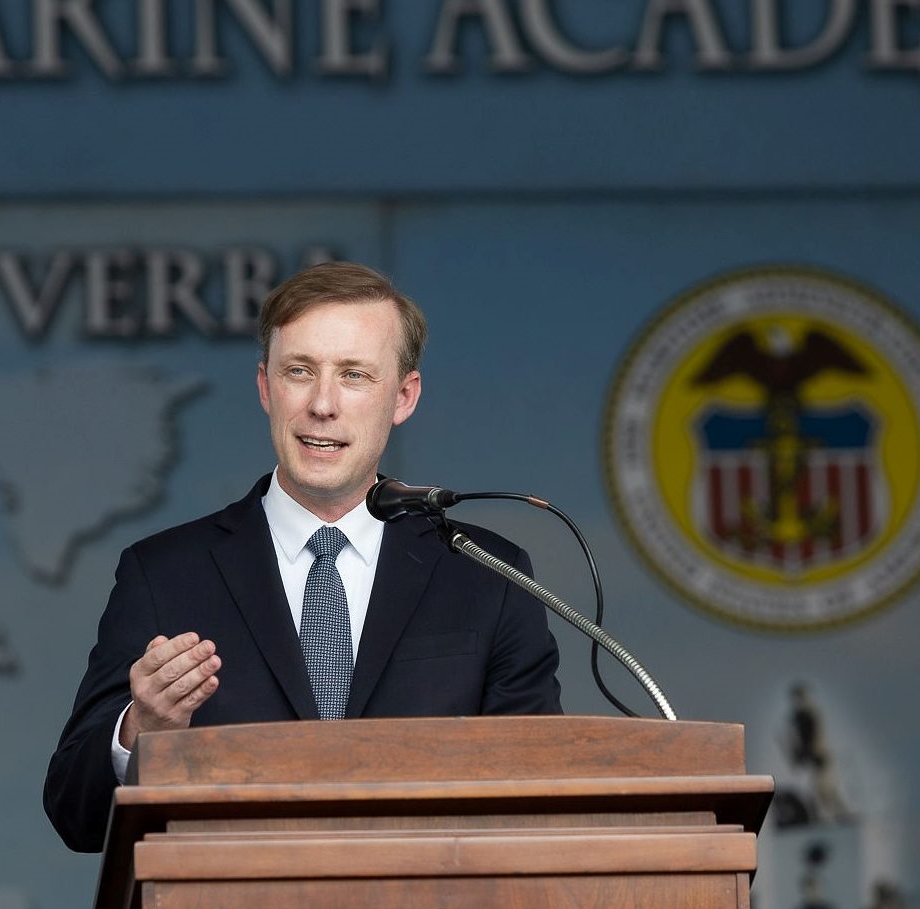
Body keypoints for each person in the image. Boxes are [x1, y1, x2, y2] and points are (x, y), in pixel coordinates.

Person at [44, 262, 562, 852]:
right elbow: (74, 814)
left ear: (404, 396)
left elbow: (540, 805)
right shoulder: (162, 574)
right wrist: (142, 730)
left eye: (354, 375)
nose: (323, 404)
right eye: (300, 371)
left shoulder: (486, 574)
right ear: (266, 387)